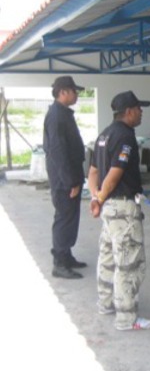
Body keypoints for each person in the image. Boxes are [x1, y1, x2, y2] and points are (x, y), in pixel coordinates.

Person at [87, 91, 150, 331]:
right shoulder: (125, 136)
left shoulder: (104, 134)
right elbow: (115, 174)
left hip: (108, 208)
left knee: (108, 257)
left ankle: (106, 303)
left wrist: (96, 197)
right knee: (129, 262)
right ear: (128, 111)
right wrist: (100, 197)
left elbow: (93, 172)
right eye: (138, 108)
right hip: (123, 207)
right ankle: (127, 318)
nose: (141, 112)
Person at [43, 75, 87, 280]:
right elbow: (58, 151)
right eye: (74, 91)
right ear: (63, 92)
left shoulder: (62, 113)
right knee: (64, 219)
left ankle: (66, 256)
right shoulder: (56, 116)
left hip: (69, 176)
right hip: (64, 180)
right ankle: (59, 263)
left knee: (70, 218)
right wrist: (71, 182)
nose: (76, 94)